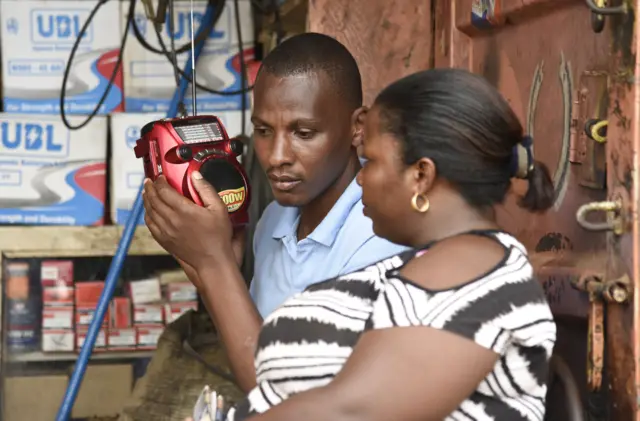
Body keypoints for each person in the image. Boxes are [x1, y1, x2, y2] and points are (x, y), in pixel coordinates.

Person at [190, 68, 558, 421]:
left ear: (420, 176)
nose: (362, 178)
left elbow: (352, 412)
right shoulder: (438, 264)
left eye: (373, 161)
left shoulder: (475, 275)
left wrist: (213, 264)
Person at [142, 32, 407, 393]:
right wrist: (211, 271)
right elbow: (253, 343)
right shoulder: (274, 220)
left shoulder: (382, 234)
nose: (276, 155)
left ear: (357, 127)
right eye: (263, 130)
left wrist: (214, 266)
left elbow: (279, 394)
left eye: (304, 132)